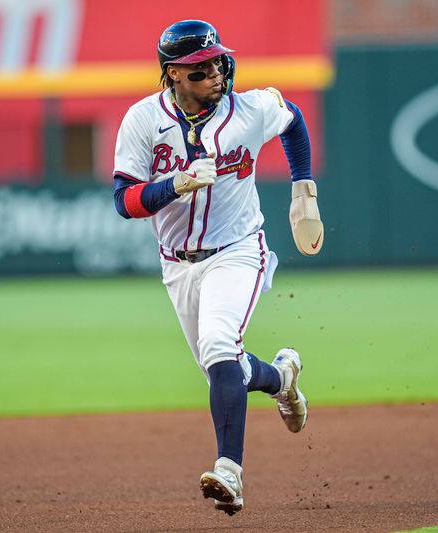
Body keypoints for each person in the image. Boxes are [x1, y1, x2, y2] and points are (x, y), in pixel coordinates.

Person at [112, 19, 324, 515]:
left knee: (218, 348)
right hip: (178, 265)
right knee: (223, 367)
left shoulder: (248, 109)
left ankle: (230, 471)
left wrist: (303, 189)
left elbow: (292, 119)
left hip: (238, 250)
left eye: (215, 61)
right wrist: (176, 184)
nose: (214, 71)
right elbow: (124, 200)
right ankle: (283, 380)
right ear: (173, 75)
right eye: (198, 67)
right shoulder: (143, 120)